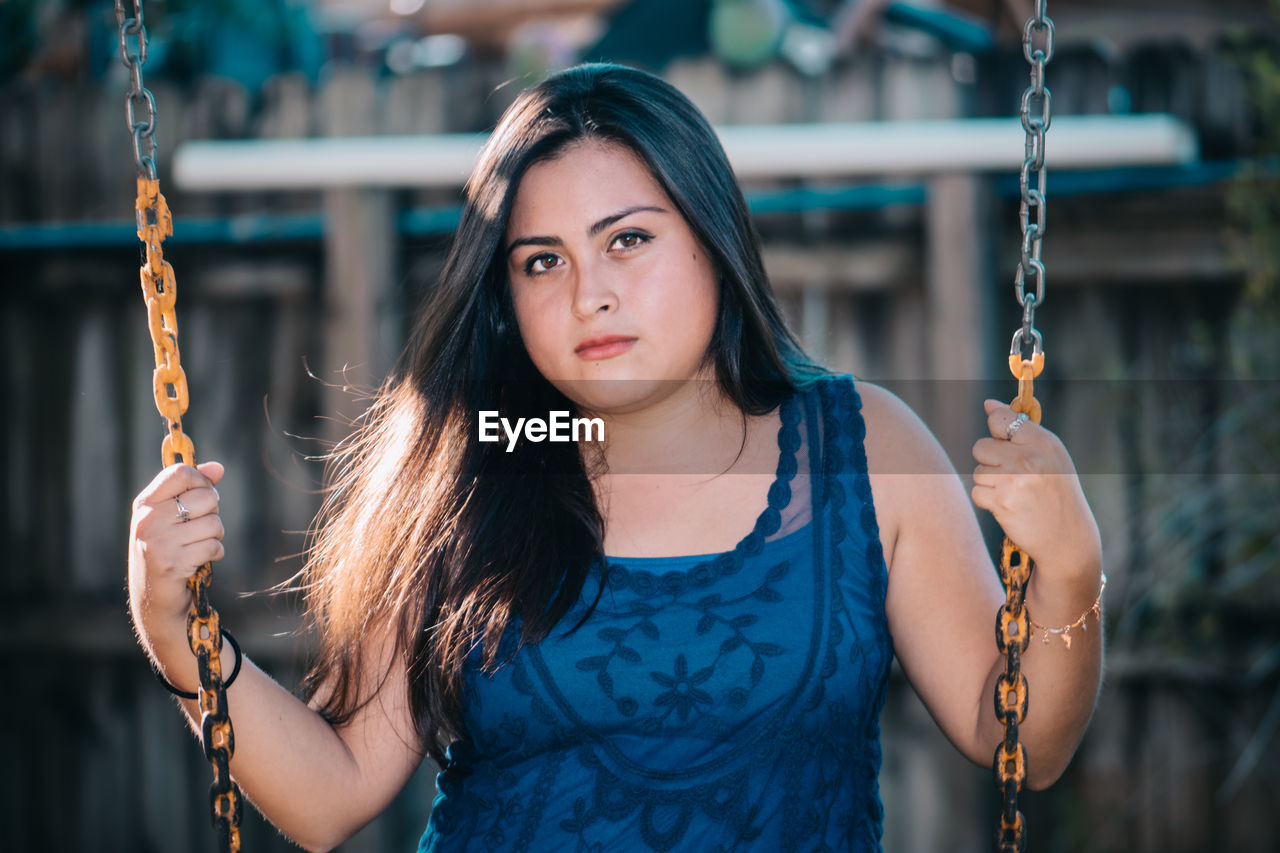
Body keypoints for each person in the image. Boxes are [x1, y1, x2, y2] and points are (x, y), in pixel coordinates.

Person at [127, 63, 1104, 852]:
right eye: (541, 260)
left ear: (713, 242)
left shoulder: (861, 447)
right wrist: (175, 627)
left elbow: (1014, 740)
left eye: (627, 240)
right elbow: (332, 793)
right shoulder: (479, 468)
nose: (587, 292)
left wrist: (1066, 573)